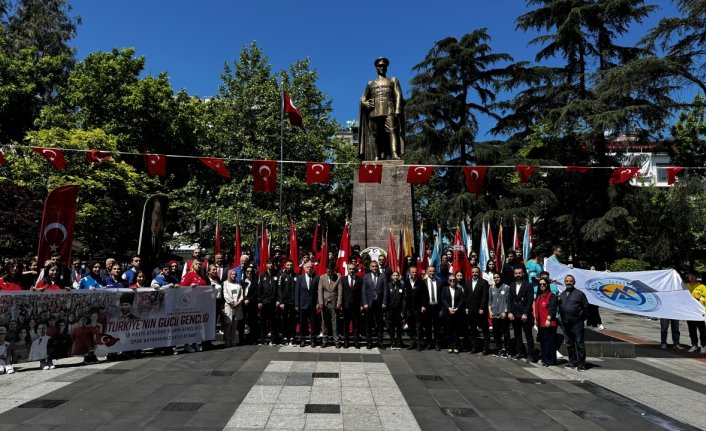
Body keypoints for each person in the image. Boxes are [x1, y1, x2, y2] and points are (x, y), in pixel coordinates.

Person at [358, 57, 405, 161]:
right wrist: (365, 103)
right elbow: (363, 98)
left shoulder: (393, 80)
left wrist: (398, 108)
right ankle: (376, 155)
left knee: (392, 131)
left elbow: (398, 94)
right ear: (376, 68)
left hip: (389, 109)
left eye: (384, 66)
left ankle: (394, 154)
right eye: (380, 66)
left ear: (387, 67)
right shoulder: (370, 83)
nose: (382, 67)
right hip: (374, 111)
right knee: (374, 134)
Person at [557, 274, 588, 371]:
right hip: (565, 324)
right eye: (567, 281)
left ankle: (581, 364)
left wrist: (581, 318)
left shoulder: (579, 294)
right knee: (569, 344)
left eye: (570, 281)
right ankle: (573, 362)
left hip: (577, 324)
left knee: (579, 344)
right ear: (564, 282)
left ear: (574, 282)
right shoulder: (561, 295)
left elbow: (586, 308)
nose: (568, 283)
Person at [507, 267, 535, 362]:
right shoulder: (512, 285)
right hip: (515, 314)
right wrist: (510, 312)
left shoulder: (528, 285)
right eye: (516, 273)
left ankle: (530, 355)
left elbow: (529, 301)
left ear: (523, 274)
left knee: (528, 335)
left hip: (524, 314)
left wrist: (526, 313)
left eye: (519, 273)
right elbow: (509, 300)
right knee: (517, 334)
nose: (518, 275)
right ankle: (519, 352)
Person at [361, 260, 388, 349]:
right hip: (369, 304)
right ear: (369, 267)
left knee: (380, 324)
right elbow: (363, 291)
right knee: (368, 324)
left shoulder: (383, 276)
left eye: (376, 266)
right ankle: (369, 342)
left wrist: (384, 302)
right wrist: (364, 303)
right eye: (372, 266)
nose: (375, 268)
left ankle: (380, 342)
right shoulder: (366, 277)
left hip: (379, 304)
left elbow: (385, 291)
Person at [465, 267, 490, 355]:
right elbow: (466, 296)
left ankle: (486, 349)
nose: (475, 274)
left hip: (480, 311)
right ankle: (474, 347)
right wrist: (467, 307)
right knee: (472, 330)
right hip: (471, 311)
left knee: (484, 330)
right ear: (471, 273)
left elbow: (485, 296)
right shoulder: (467, 283)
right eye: (473, 272)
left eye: (476, 272)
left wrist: (482, 308)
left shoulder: (484, 282)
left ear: (479, 273)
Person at [534, 279, 558, 366]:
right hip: (540, 323)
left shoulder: (551, 295)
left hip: (548, 323)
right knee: (543, 342)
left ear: (547, 285)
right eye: (540, 284)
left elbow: (552, 308)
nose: (542, 286)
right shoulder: (539, 296)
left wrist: (549, 319)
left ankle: (550, 361)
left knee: (549, 343)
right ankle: (544, 359)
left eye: (544, 284)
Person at [318, 263, 342, 348]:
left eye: (330, 269)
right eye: (327, 269)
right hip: (324, 304)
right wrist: (320, 302)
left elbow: (340, 291)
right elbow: (320, 291)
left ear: (333, 269)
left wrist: (339, 303)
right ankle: (325, 340)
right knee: (325, 322)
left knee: (335, 322)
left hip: (334, 303)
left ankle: (336, 340)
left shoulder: (338, 277)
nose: (328, 271)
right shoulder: (322, 277)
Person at [295, 262, 319, 348]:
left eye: (311, 267)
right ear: (304, 268)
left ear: (313, 268)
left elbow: (318, 292)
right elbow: (297, 291)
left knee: (313, 323)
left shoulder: (316, 278)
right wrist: (297, 304)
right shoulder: (300, 278)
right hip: (302, 304)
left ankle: (313, 340)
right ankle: (302, 339)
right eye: (307, 267)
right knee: (302, 323)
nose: (309, 268)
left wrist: (318, 303)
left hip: (312, 305)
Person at [341, 261, 363, 349]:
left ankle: (356, 342)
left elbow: (362, 293)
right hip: (346, 306)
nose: (351, 270)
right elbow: (341, 293)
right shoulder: (343, 279)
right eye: (350, 269)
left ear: (356, 269)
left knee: (356, 325)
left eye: (353, 269)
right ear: (347, 269)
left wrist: (361, 304)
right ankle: (346, 342)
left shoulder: (359, 279)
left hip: (356, 306)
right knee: (346, 325)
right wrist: (341, 305)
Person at [488, 272, 511, 357]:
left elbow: (508, 301)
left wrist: (505, 311)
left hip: (503, 314)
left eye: (497, 277)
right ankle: (498, 349)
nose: (496, 279)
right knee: (496, 333)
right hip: (494, 314)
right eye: (494, 277)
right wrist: (490, 311)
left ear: (501, 277)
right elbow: (490, 301)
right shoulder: (491, 288)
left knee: (505, 332)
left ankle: (506, 349)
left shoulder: (506, 287)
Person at [404, 265, 425, 351]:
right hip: (409, 308)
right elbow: (405, 296)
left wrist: (423, 305)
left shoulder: (421, 282)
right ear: (409, 273)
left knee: (418, 326)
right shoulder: (406, 282)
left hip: (418, 307)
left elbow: (424, 295)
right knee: (411, 325)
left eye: (416, 272)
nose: (414, 274)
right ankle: (413, 342)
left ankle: (419, 344)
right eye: (412, 272)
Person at [258, 259, 279, 345]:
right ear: (266, 265)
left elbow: (279, 289)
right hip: (264, 302)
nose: (270, 265)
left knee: (273, 322)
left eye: (272, 263)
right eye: (269, 263)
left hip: (273, 302)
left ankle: (273, 340)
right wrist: (259, 301)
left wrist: (278, 300)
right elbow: (260, 289)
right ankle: (263, 340)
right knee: (263, 321)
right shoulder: (262, 275)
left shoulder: (277, 275)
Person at [442, 274, 465, 354]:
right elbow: (443, 299)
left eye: (454, 280)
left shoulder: (459, 290)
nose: (452, 281)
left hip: (456, 312)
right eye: (450, 280)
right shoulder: (445, 289)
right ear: (448, 281)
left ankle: (455, 346)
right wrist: (449, 308)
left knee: (456, 330)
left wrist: (456, 308)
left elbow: (461, 300)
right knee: (448, 330)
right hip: (448, 312)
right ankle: (450, 346)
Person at [422, 265, 442, 351]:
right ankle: (429, 343)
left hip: (437, 307)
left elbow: (442, 295)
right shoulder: (423, 282)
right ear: (427, 272)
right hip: (428, 307)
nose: (432, 273)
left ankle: (437, 343)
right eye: (430, 271)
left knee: (437, 327)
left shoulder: (439, 282)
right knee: (428, 326)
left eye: (433, 271)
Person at [277, 260, 298, 346]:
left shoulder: (295, 276)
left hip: (293, 302)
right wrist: (281, 302)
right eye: (288, 265)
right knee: (284, 320)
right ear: (285, 266)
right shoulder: (282, 276)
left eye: (291, 265)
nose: (289, 266)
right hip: (284, 303)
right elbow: (279, 290)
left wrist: (297, 303)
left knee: (293, 320)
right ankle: (285, 338)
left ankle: (292, 338)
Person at [685, 271, 706, 353]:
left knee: (702, 330)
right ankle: (694, 345)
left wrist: (698, 300)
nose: (691, 277)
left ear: (697, 277)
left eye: (693, 276)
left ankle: (703, 346)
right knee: (691, 330)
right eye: (690, 276)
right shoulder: (686, 286)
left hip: (699, 312)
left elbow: (704, 299)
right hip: (689, 312)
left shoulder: (702, 287)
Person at [223, 269, 243, 347]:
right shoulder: (225, 283)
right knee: (228, 324)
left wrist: (239, 301)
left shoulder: (238, 284)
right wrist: (232, 302)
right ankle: (227, 341)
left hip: (238, 305)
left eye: (235, 274)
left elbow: (241, 294)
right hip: (229, 305)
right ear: (229, 275)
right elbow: (225, 295)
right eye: (232, 274)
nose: (234, 276)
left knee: (235, 324)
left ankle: (233, 340)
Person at [387, 270, 406, 350]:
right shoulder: (388, 286)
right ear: (391, 277)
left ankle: (398, 342)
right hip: (390, 309)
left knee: (399, 327)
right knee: (391, 327)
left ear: (399, 277)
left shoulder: (402, 286)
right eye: (394, 275)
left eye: (397, 275)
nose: (395, 277)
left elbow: (404, 299)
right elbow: (386, 298)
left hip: (399, 310)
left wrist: (403, 310)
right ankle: (392, 342)